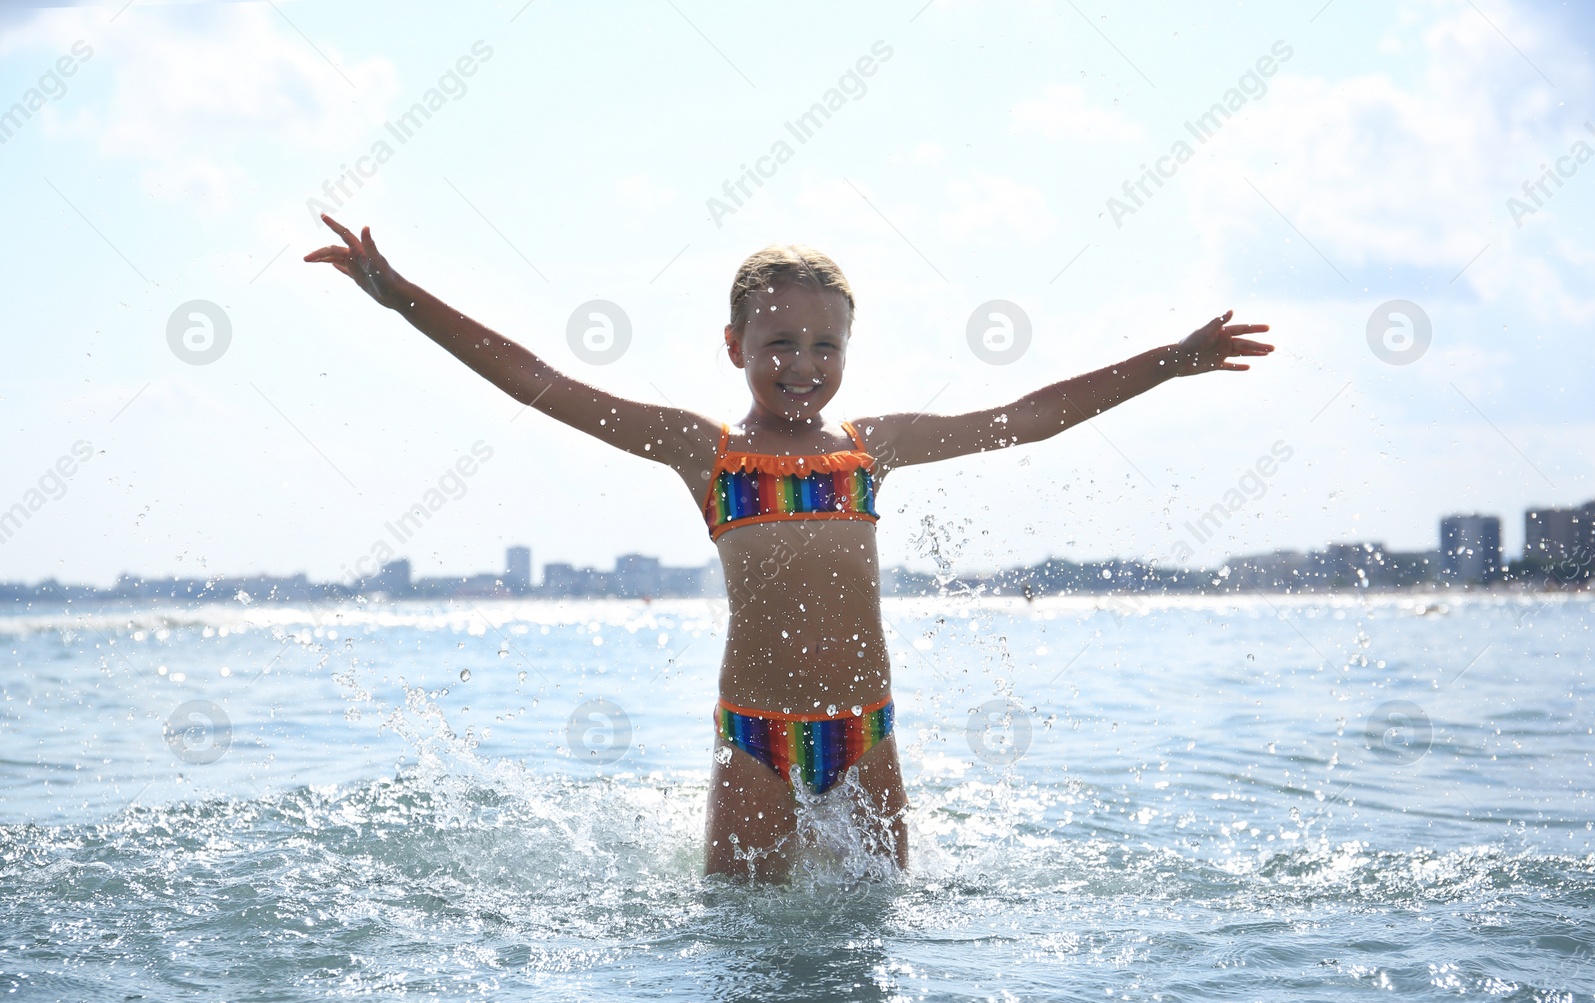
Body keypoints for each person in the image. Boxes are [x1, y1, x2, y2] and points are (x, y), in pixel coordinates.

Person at [305, 216, 1273, 881]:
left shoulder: (870, 449)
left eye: (823, 346)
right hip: (757, 741)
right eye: (778, 343)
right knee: (747, 945)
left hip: (868, 734)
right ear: (733, 344)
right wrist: (400, 296)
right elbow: (542, 386)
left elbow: (1024, 419)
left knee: (874, 940)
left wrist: (1172, 360)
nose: (801, 366)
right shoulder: (709, 453)